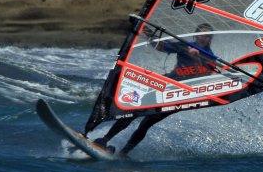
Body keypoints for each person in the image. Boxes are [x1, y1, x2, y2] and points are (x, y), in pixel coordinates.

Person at [92, 23, 218, 157]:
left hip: (180, 95)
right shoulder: (184, 46)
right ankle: (104, 140)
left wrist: (197, 57)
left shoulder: (210, 56)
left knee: (147, 122)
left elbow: (204, 75)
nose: (203, 38)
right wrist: (146, 30)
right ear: (195, 35)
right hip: (165, 84)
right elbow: (160, 46)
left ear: (210, 38)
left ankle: (123, 153)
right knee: (133, 110)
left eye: (207, 36)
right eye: (201, 35)